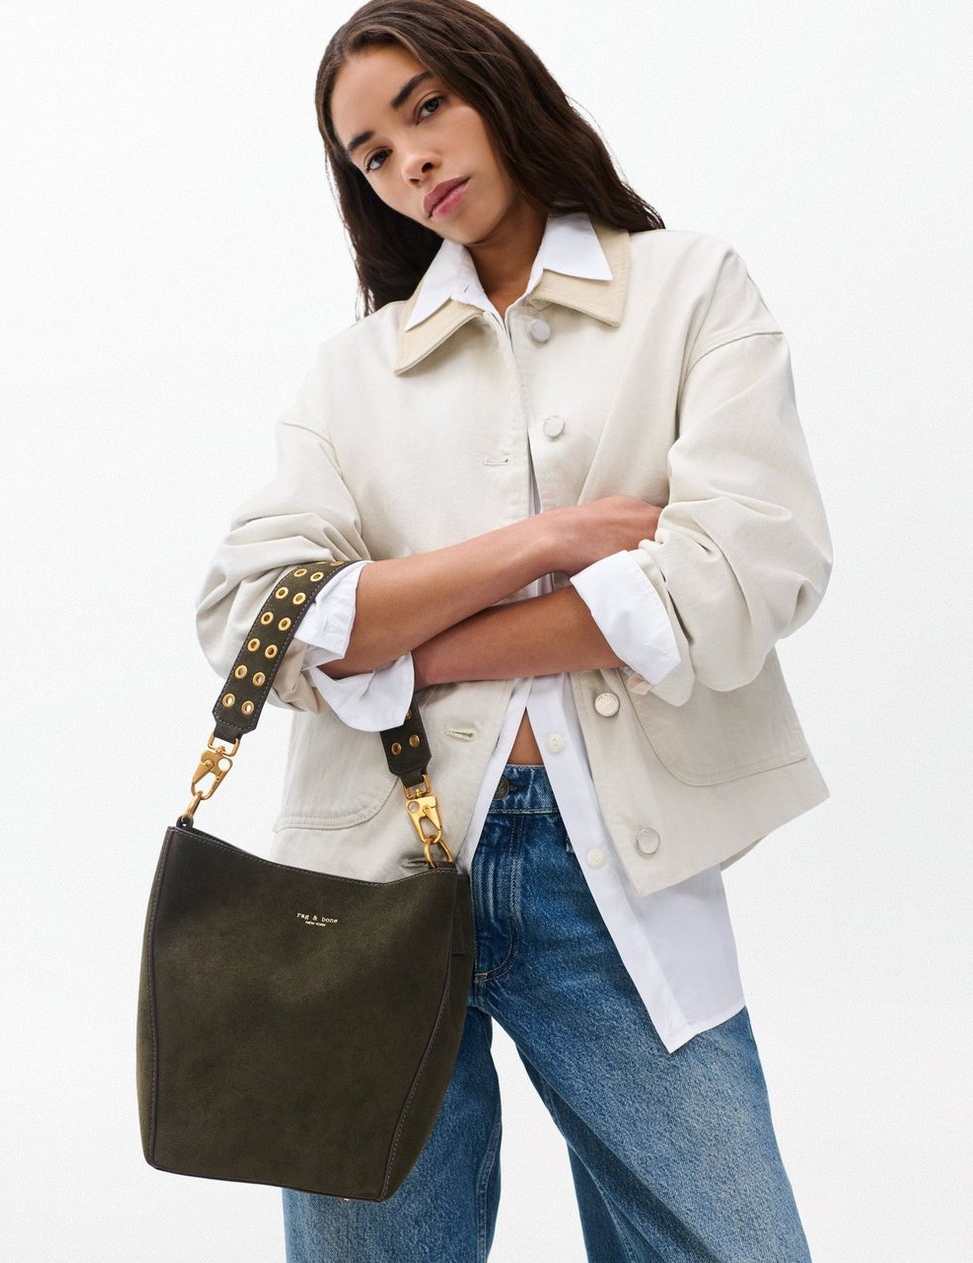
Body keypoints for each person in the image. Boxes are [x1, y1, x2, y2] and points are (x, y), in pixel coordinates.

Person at [195, 1, 833, 1258]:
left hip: (614, 864)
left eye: (425, 107)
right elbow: (251, 616)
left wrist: (403, 649)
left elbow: (740, 571)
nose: (410, 161)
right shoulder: (352, 372)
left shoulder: (689, 289)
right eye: (372, 153)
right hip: (362, 881)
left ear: (498, 86)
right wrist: (537, 549)